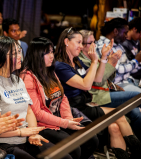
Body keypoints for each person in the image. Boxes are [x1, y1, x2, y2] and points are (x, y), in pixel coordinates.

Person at [54, 27, 141, 158]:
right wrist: (95, 60)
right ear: (66, 42)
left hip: (86, 104)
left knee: (114, 126)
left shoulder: (76, 61)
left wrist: (104, 57)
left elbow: (98, 78)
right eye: (79, 42)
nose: (81, 46)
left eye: (82, 43)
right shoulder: (61, 65)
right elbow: (86, 85)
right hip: (75, 109)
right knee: (122, 113)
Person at [19, 37, 99, 159]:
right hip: (43, 125)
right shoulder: (27, 77)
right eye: (47, 53)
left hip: (60, 120)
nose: (52, 56)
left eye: (52, 51)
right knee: (74, 149)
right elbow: (37, 113)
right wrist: (66, 123)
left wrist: (68, 119)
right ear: (37, 54)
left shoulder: (50, 70)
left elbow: (63, 97)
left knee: (92, 140)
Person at [0, 36, 49, 159]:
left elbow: (29, 110)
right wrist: (21, 132)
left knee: (64, 155)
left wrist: (33, 133)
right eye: (15, 53)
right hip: (3, 144)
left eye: (19, 51)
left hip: (25, 137)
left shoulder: (17, 79)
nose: (20, 56)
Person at [79, 29, 141, 142]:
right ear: (81, 45)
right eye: (90, 43)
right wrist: (109, 63)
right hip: (96, 97)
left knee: (136, 112)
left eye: (94, 41)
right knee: (138, 95)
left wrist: (113, 62)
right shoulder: (81, 60)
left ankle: (136, 145)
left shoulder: (93, 56)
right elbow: (98, 81)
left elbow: (109, 78)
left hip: (106, 91)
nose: (94, 44)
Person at [96, 18, 141, 92]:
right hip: (115, 85)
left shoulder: (119, 46)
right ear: (115, 31)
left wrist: (137, 63)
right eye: (125, 33)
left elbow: (129, 68)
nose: (126, 36)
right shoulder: (103, 46)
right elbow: (118, 70)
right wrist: (136, 61)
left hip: (128, 80)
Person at [122, 17, 141, 83]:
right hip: (130, 75)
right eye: (140, 33)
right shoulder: (123, 43)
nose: (140, 36)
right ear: (134, 29)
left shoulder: (136, 41)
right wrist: (137, 59)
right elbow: (127, 65)